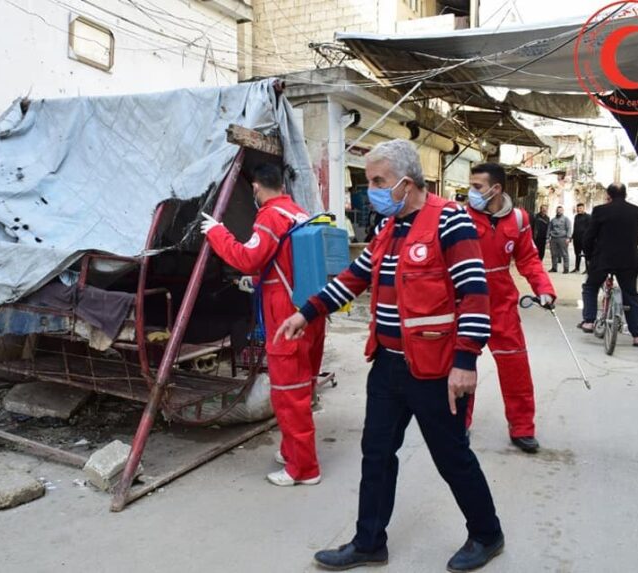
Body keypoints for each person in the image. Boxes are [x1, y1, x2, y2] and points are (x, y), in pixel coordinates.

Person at [275, 140, 503, 572]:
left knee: (451, 456)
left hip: (436, 369)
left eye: (379, 181)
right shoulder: (387, 227)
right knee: (376, 453)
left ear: (406, 181)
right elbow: (354, 277)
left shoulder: (450, 221)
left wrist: (466, 361)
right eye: (369, 181)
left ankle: (487, 534)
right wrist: (307, 312)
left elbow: (475, 293)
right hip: (388, 364)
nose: (372, 190)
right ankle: (368, 543)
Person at [200, 163, 327, 486]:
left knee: (288, 394)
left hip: (287, 320)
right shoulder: (297, 212)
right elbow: (283, 264)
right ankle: (292, 451)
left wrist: (217, 232)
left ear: (256, 187)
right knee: (301, 389)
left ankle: (304, 469)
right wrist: (258, 282)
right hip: (310, 314)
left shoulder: (270, 217)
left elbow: (248, 258)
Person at [465, 163, 556, 453]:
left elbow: (528, 258)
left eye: (476, 186)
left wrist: (543, 288)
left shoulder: (518, 219)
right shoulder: (460, 217)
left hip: (502, 303)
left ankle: (522, 428)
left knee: (515, 367)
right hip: (466, 302)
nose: (471, 192)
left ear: (496, 189)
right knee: (461, 366)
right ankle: (458, 424)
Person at [578, 183, 638, 346]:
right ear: (625, 194)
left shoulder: (600, 211)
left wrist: (589, 255)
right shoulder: (637, 211)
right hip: (629, 260)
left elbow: (589, 236)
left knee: (590, 287)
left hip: (603, 259)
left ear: (608, 195)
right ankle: (637, 335)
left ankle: (589, 321)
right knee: (631, 295)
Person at [547, 206, 572, 273]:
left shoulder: (566, 219)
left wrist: (568, 238)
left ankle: (566, 268)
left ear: (563, 211)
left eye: (560, 210)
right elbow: (549, 229)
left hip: (562, 238)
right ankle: (554, 268)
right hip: (553, 239)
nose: (559, 211)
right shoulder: (553, 220)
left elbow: (569, 228)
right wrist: (547, 238)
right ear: (556, 211)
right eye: (558, 210)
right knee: (553, 254)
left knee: (564, 254)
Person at [572, 203, 592, 273]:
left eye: (580, 208)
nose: (579, 210)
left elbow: (590, 228)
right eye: (578, 208)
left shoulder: (588, 217)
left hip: (584, 239)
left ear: (583, 208)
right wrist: (572, 236)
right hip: (576, 238)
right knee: (577, 254)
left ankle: (588, 269)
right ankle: (577, 268)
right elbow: (575, 227)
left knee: (586, 254)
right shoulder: (576, 217)